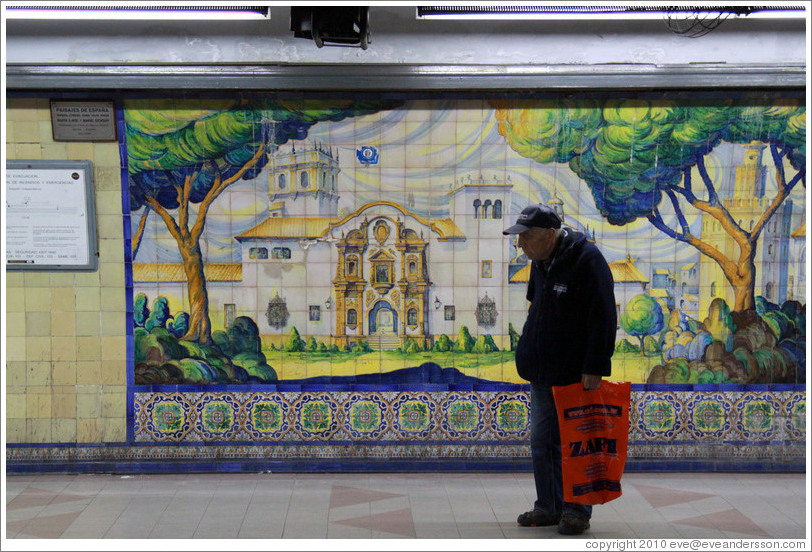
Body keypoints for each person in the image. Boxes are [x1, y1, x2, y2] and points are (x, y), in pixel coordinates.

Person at [503, 203, 617, 536]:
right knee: (542, 441)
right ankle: (548, 507)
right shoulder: (540, 261)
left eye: (526, 238)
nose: (520, 245)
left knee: (575, 443)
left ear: (550, 235)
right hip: (542, 370)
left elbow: (604, 316)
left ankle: (576, 511)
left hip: (575, 373)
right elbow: (536, 305)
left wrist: (596, 364)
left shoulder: (587, 259)